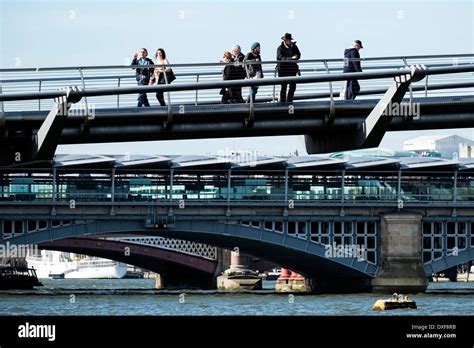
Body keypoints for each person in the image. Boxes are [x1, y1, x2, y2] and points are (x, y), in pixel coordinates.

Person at [276, 33, 301, 103]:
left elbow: (299, 54)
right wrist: (291, 58)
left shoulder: (294, 46)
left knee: (293, 87)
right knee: (284, 87)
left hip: (292, 70)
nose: (289, 41)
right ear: (285, 40)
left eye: (289, 40)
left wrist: (296, 57)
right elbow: (280, 58)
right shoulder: (280, 48)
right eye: (287, 40)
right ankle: (283, 103)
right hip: (283, 71)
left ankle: (290, 101)